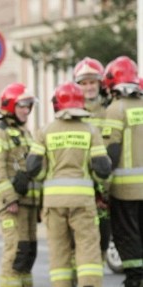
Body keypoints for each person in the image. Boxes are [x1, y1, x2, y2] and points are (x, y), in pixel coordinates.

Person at [26, 82, 118, 287]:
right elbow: (102, 168)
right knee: (87, 247)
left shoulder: (45, 131)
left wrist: (48, 174)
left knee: (59, 247)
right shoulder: (89, 131)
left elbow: (33, 168)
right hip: (82, 201)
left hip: (53, 203)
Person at [0, 83, 43, 287]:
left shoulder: (24, 132)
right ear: (10, 105)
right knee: (15, 249)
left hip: (28, 201)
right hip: (12, 203)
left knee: (29, 249)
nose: (26, 110)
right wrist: (9, 198)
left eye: (29, 106)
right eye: (22, 105)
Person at [101, 55, 143, 287]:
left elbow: (112, 154)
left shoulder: (116, 109)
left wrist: (103, 187)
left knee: (128, 238)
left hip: (125, 189)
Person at [74, 57, 113, 260]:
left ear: (100, 84)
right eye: (84, 83)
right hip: (83, 187)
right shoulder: (72, 114)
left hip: (107, 184)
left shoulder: (110, 111)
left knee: (104, 239)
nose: (88, 87)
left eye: (92, 82)